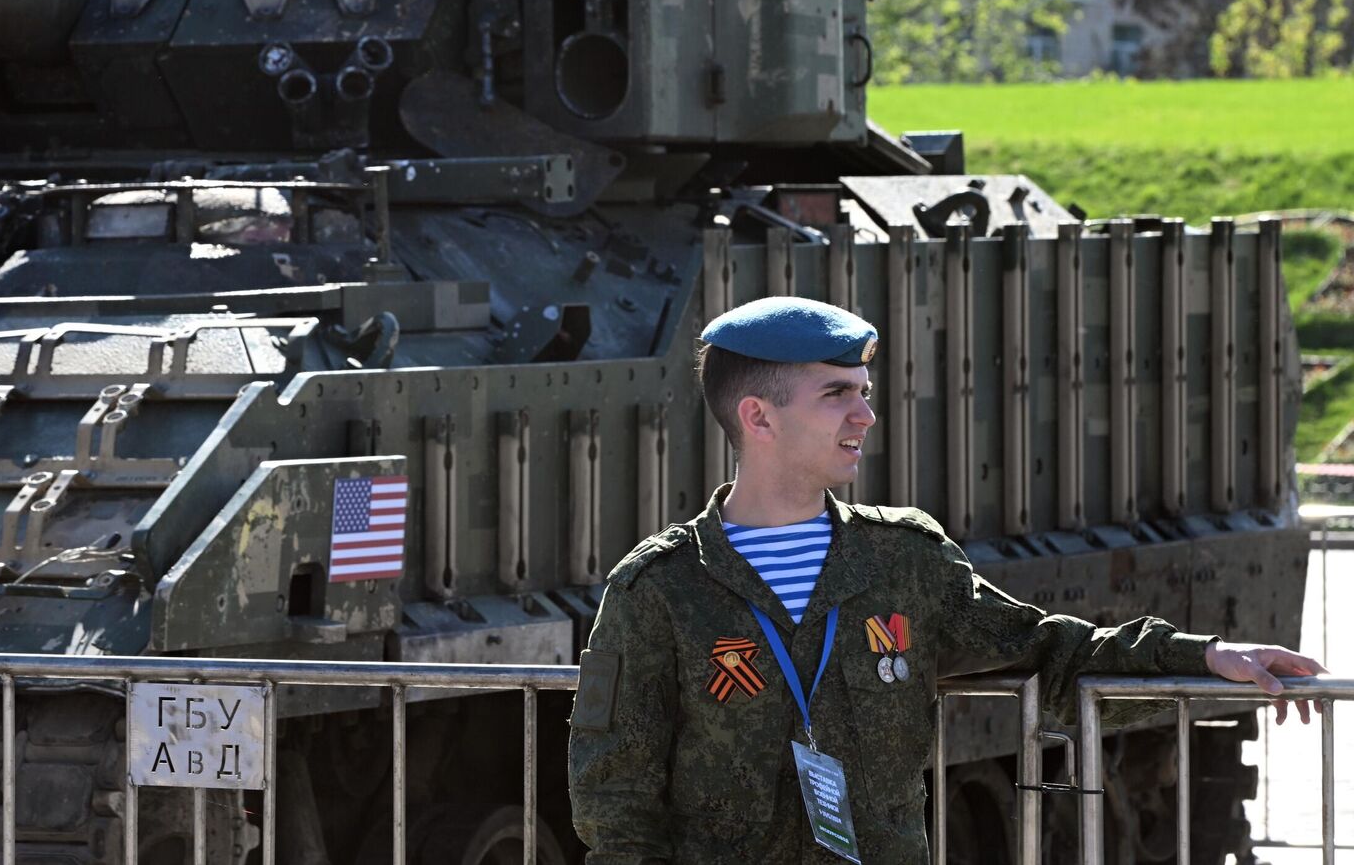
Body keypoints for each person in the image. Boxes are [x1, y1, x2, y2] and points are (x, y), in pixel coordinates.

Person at [567, 296, 1326, 864]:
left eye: (863, 391)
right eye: (838, 393)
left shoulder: (904, 562)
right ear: (758, 417)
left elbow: (1047, 653)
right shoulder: (661, 588)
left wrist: (1205, 659)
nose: (865, 415)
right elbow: (616, 799)